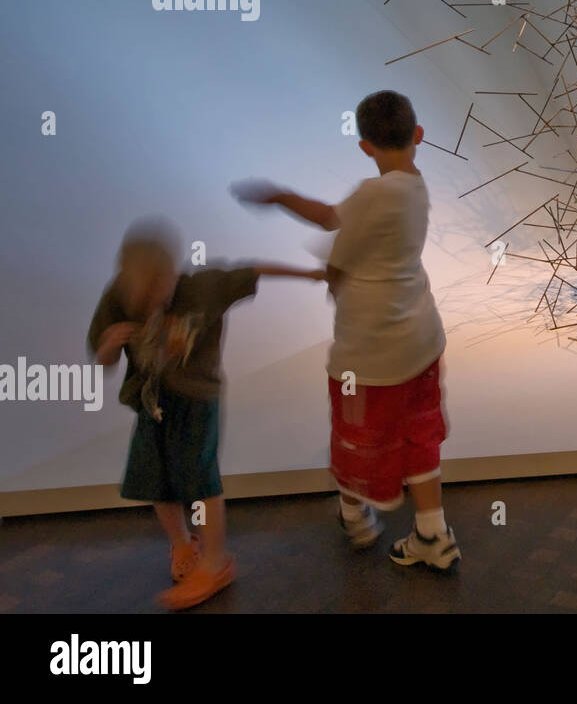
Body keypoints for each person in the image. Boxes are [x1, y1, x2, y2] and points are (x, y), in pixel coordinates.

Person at [232, 90, 458, 569]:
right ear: (418, 135)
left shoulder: (373, 194)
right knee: (419, 434)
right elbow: (339, 218)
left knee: (357, 435)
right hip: (421, 340)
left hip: (369, 353)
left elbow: (337, 243)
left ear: (364, 146)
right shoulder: (414, 185)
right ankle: (433, 535)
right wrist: (283, 198)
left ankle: (355, 519)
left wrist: (278, 200)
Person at [88, 217, 325, 609]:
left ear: (172, 275)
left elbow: (257, 268)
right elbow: (104, 359)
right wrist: (109, 345)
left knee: (199, 477)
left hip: (198, 398)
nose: (148, 302)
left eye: (156, 291)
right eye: (139, 296)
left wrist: (313, 274)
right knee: (154, 477)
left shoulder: (203, 287)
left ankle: (215, 562)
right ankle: (183, 544)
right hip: (151, 399)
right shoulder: (117, 295)